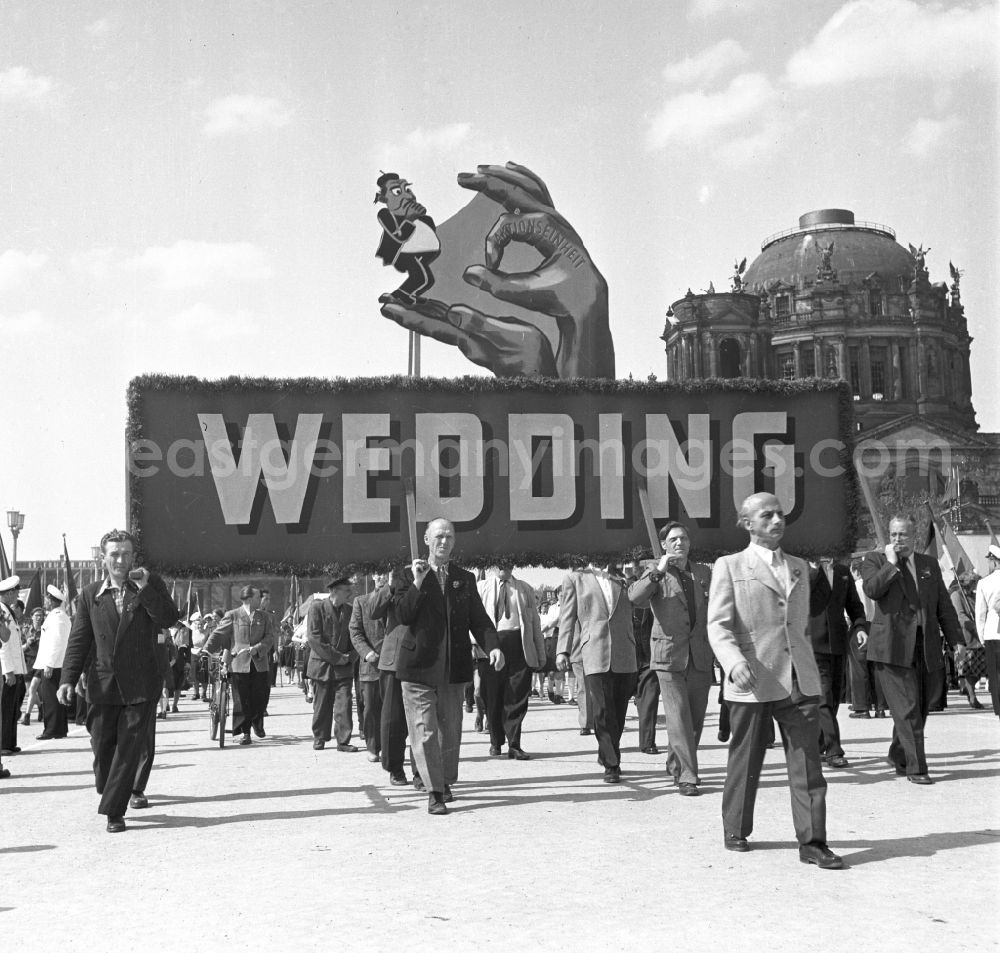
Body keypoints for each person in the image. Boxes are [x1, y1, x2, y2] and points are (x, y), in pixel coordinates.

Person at [708, 493, 842, 869]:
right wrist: (733, 663)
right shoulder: (729, 566)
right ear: (747, 523)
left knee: (808, 763)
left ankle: (813, 842)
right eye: (767, 515)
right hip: (752, 677)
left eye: (780, 514)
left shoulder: (800, 566)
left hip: (799, 677)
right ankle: (735, 827)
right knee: (745, 759)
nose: (777, 520)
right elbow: (717, 626)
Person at [57, 529, 180, 832]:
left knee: (129, 748)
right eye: (114, 554)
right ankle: (109, 789)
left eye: (126, 554)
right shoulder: (89, 595)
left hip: (141, 684)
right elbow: (79, 640)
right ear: (103, 558)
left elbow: (168, 618)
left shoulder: (149, 585)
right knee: (102, 749)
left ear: (133, 557)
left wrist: (146, 588)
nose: (120, 560)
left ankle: (114, 811)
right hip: (103, 684)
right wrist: (68, 679)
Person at [392, 517, 502, 815]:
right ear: (426, 539)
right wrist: (417, 581)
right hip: (417, 668)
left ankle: (445, 780)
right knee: (424, 731)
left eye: (449, 537)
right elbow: (402, 615)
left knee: (450, 731)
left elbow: (478, 619)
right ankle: (434, 791)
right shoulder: (405, 575)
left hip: (453, 668)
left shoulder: (464, 578)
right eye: (438, 536)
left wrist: (492, 646)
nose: (444, 541)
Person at [861, 515, 964, 784]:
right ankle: (917, 769)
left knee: (920, 709)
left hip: (924, 646)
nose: (897, 540)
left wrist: (957, 641)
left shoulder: (928, 564)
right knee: (907, 710)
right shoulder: (876, 561)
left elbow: (943, 606)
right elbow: (872, 590)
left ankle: (899, 755)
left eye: (902, 535)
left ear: (913, 535)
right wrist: (892, 565)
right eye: (893, 535)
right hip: (891, 648)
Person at [629, 522, 714, 796]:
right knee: (678, 718)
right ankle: (688, 776)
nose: (680, 543)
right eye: (674, 539)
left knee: (696, 721)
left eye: (684, 538)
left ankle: (676, 763)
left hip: (699, 656)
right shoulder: (656, 572)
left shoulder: (702, 572)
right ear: (664, 545)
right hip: (669, 657)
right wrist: (659, 570)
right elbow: (636, 598)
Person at [556, 562, 637, 784]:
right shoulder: (575, 578)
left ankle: (607, 754)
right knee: (602, 710)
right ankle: (612, 763)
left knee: (619, 711)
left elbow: (639, 602)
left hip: (624, 652)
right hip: (594, 651)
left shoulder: (622, 577)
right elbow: (567, 616)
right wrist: (562, 650)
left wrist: (634, 576)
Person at [477, 567, 545, 760]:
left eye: (506, 564)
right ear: (491, 566)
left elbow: (535, 624)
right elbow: (473, 620)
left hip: (518, 645)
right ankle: (495, 740)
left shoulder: (525, 589)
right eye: (498, 564)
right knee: (491, 695)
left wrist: (540, 654)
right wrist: (474, 646)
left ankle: (514, 744)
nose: (502, 568)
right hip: (490, 646)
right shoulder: (482, 587)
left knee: (517, 694)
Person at [807, 557, 867, 768]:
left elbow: (854, 605)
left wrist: (859, 627)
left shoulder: (842, 571)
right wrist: (814, 569)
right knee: (823, 696)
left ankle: (818, 745)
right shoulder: (805, 568)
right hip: (812, 642)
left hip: (838, 643)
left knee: (833, 697)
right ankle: (834, 751)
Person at [203, 586, 275, 745]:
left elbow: (270, 637)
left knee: (260, 698)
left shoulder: (264, 617)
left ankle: (257, 723)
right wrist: (205, 650)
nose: (260, 600)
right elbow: (218, 634)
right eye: (257, 597)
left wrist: (258, 648)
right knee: (241, 699)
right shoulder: (233, 615)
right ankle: (245, 732)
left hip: (259, 662)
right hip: (239, 663)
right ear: (249, 599)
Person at [307, 577, 358, 752]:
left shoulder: (350, 611)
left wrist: (350, 656)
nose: (349, 594)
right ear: (334, 591)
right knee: (322, 704)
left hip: (344, 667)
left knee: (344, 704)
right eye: (346, 590)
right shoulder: (317, 608)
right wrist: (337, 657)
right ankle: (319, 737)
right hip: (322, 667)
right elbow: (314, 639)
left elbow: (356, 637)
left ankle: (343, 741)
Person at [374, 172, 440, 305]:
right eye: (397, 191)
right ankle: (398, 295)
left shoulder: (424, 219)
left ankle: (408, 295)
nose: (408, 196)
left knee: (427, 279)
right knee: (422, 278)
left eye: (407, 189)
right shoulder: (386, 214)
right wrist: (410, 218)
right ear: (383, 198)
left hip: (419, 255)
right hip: (402, 254)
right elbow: (400, 236)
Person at [350, 573, 389, 762]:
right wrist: (366, 652)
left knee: (392, 710)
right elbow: (355, 631)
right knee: (371, 709)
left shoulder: (398, 598)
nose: (382, 577)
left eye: (386, 573)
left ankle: (390, 748)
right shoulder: (361, 601)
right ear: (373, 576)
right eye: (379, 573)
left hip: (394, 664)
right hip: (371, 665)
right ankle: (373, 747)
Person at [35, 585, 72, 740]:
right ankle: (59, 729)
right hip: (57, 663)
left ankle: (51, 729)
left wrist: (49, 663)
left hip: (54, 664)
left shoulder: (57, 617)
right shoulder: (58, 615)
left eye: (47, 598)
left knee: (50, 699)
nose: (45, 601)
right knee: (56, 698)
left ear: (51, 600)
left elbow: (57, 642)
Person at [0, 576, 28, 757]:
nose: (17, 596)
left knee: (12, 708)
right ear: (9, 593)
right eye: (16, 592)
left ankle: (9, 742)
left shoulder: (8, 611)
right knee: (5, 709)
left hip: (15, 669)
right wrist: (8, 670)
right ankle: (3, 744)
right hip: (7, 670)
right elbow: (3, 646)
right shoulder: (1, 611)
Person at [975, 544, 1000, 717]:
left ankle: (998, 707)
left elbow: (980, 613)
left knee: (996, 674)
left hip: (993, 633)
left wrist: (982, 635)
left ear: (994, 561)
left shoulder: (984, 582)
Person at [21, 607, 43, 726]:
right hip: (28, 663)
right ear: (32, 617)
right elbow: (20, 649)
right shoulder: (25, 631)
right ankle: (41, 708)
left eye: (41, 615)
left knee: (33, 688)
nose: (39, 618)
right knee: (30, 692)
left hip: (40, 662)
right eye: (37, 615)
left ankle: (27, 716)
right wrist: (27, 643)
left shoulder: (45, 630)